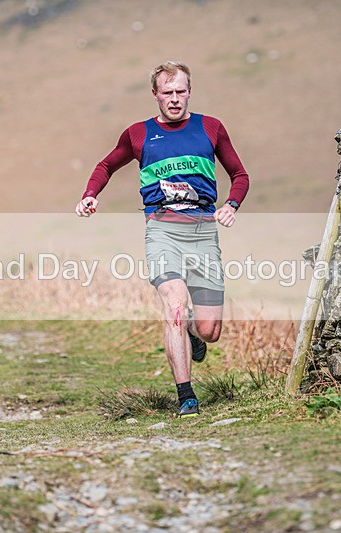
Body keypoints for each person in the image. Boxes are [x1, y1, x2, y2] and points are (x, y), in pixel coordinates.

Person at [75, 61, 250, 418]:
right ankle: (186, 396)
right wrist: (91, 194)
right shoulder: (138, 134)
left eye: (180, 91)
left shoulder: (211, 128)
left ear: (190, 92)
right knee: (173, 306)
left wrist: (231, 204)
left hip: (203, 232)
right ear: (154, 95)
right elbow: (106, 166)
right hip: (162, 231)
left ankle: (193, 331)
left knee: (209, 329)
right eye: (167, 92)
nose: (174, 99)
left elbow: (239, 174)